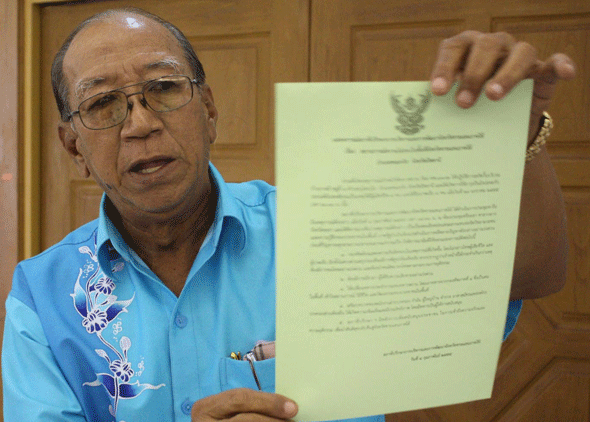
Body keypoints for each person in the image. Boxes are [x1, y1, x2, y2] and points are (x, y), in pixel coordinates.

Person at [2, 6, 574, 422]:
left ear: (208, 111)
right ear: (74, 147)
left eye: (164, 88)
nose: (141, 122)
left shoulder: (329, 229)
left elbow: (524, 278)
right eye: (102, 103)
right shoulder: (42, 295)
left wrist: (517, 134)